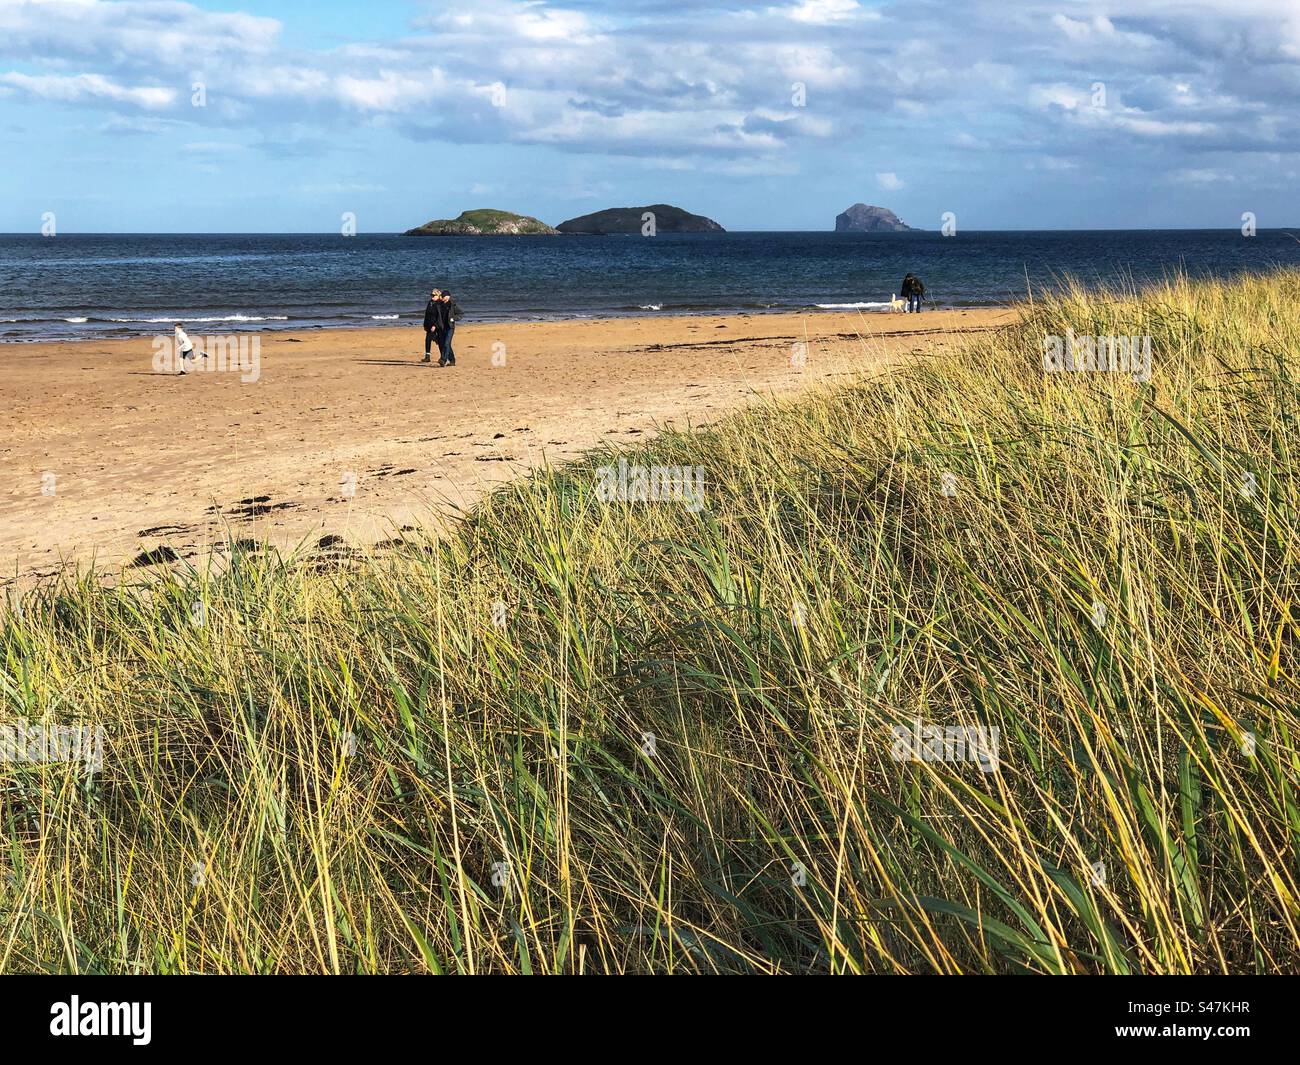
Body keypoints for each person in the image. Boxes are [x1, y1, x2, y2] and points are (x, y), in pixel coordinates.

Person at [437, 291, 460, 367]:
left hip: (450, 327)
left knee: (446, 343)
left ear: (448, 297)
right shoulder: (439, 305)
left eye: (443, 297)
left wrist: (453, 318)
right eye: (441, 296)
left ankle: (443, 360)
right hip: (442, 327)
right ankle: (452, 360)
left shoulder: (453, 305)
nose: (442, 298)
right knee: (446, 345)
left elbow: (461, 314)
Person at [421, 288, 443, 363]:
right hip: (429, 325)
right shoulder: (430, 302)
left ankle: (443, 357)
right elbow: (427, 314)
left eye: (434, 295)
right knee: (428, 340)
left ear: (438, 295)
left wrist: (435, 325)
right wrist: (425, 324)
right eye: (431, 295)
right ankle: (427, 356)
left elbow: (440, 317)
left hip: (437, 326)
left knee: (440, 341)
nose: (432, 296)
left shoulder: (440, 303)